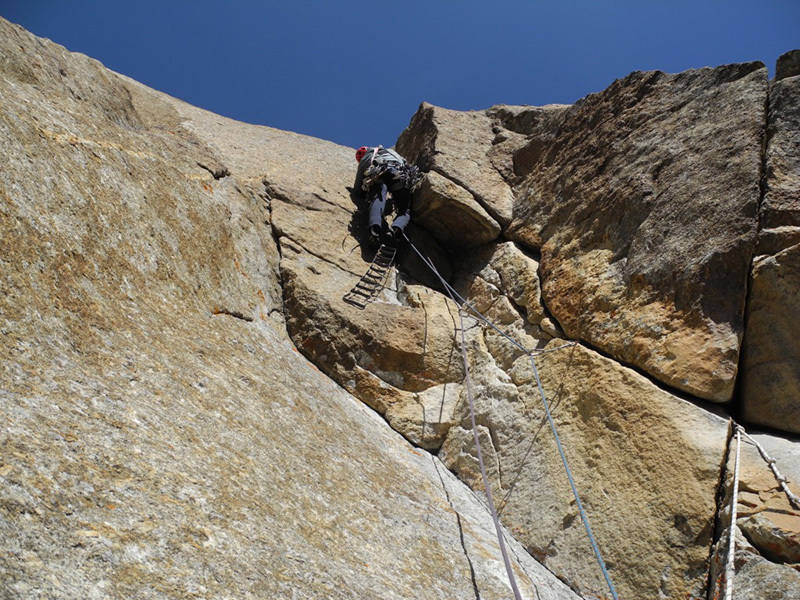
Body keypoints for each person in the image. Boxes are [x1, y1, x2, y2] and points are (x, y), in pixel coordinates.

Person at [353, 146, 420, 248]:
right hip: (399, 177)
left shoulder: (368, 155)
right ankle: (395, 230)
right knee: (405, 210)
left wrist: (359, 193)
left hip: (379, 175)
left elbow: (359, 183)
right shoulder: (392, 153)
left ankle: (374, 228)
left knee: (378, 199)